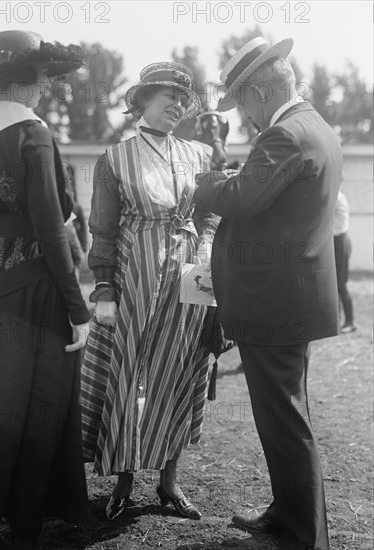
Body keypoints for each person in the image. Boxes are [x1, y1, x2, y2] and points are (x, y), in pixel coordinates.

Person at [194, 37, 343, 550]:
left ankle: (305, 536)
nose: (247, 118)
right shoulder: (312, 125)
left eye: (243, 105)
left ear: (259, 91)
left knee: (283, 419)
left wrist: (202, 182)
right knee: (283, 415)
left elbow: (240, 196)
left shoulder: (284, 134)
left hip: (275, 302)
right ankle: (288, 513)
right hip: (291, 298)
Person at [80, 62, 218, 521]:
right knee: (130, 371)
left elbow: (211, 215)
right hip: (135, 272)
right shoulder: (115, 158)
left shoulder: (199, 155)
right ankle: (123, 480)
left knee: (182, 368)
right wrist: (104, 288)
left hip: (189, 277)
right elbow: (101, 229)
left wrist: (208, 254)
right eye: (169, 96)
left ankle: (169, 482)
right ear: (142, 101)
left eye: (184, 98)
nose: (178, 104)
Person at [0, 31, 90, 550]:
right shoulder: (34, 135)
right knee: (42, 405)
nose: (47, 86)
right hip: (40, 288)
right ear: (18, 81)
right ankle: (24, 522)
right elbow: (50, 229)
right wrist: (78, 306)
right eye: (42, 77)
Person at [334, 190, 356, 333]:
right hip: (334, 241)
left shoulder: (337, 196)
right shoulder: (335, 194)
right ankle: (336, 321)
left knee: (340, 284)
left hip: (340, 241)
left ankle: (350, 322)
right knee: (334, 284)